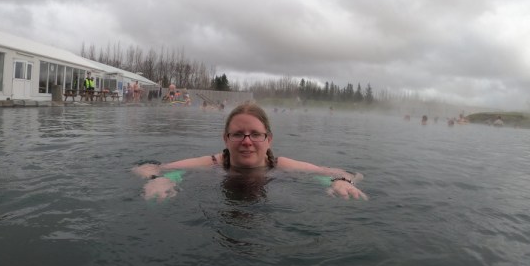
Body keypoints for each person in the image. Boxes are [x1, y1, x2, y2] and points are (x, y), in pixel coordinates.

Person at [133, 102, 368, 201]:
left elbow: (349, 173)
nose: (247, 141)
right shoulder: (213, 163)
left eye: (255, 134)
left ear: (269, 139)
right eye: (238, 134)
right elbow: (146, 166)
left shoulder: (281, 165)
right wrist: (157, 179)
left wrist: (340, 181)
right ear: (226, 139)